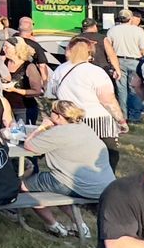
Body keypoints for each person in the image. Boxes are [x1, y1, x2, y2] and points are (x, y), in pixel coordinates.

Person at [19, 101, 115, 237]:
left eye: (51, 112)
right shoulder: (84, 127)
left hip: (76, 184)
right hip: (104, 185)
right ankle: (80, 226)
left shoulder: (58, 133)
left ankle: (53, 225)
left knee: (24, 187)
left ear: (58, 116)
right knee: (58, 187)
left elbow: (29, 145)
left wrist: (42, 127)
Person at [46, 39, 125, 169]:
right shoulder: (96, 72)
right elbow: (108, 100)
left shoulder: (60, 70)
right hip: (99, 122)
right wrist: (121, 121)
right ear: (90, 54)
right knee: (108, 157)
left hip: (71, 120)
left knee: (75, 157)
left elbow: (51, 94)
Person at [107, 9, 144, 122]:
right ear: (130, 18)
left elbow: (109, 49)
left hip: (118, 61)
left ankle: (123, 116)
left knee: (121, 90)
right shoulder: (138, 31)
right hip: (135, 62)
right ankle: (135, 116)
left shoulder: (112, 31)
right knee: (134, 88)